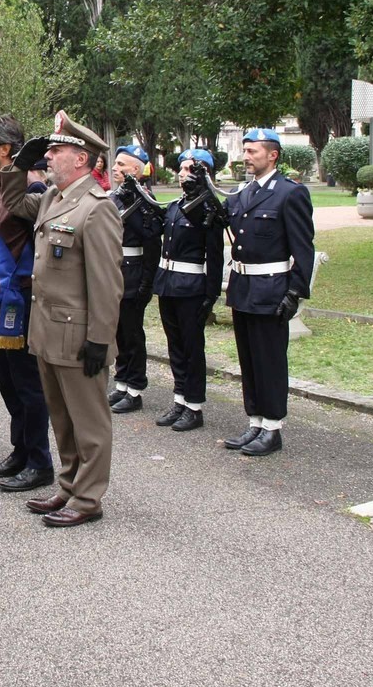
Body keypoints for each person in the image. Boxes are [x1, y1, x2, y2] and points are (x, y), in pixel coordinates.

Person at [0, 110, 123, 527]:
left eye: (57, 150)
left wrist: (100, 340)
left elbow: (107, 283)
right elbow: (14, 202)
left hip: (80, 336)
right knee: (62, 416)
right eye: (48, 150)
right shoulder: (53, 198)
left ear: (82, 159)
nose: (48, 157)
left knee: (88, 422)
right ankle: (69, 486)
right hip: (48, 332)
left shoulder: (97, 208)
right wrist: (19, 164)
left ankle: (88, 499)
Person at [0, 115, 54, 492]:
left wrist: (20, 170)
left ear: (5, 150)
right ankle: (19, 451)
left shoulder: (26, 192)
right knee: (7, 383)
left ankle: (40, 462)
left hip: (17, 303)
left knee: (27, 385)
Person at [222, 128, 315, 457]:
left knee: (269, 361)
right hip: (243, 287)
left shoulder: (290, 193)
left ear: (272, 155)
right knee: (249, 359)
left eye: (253, 151)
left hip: (271, 289)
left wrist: (296, 292)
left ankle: (273, 428)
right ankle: (256, 421)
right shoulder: (242, 192)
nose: (246, 156)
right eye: (245, 151)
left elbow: (303, 248)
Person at [154, 149, 226, 432]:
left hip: (191, 287)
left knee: (192, 349)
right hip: (168, 284)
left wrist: (211, 295)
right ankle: (180, 399)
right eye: (182, 168)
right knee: (175, 346)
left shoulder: (208, 208)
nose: (182, 173)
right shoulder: (175, 205)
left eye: (189, 169)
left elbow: (215, 255)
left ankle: (194, 407)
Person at [107, 145, 164, 414]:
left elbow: (152, 243)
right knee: (117, 332)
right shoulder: (114, 197)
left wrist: (146, 283)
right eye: (115, 164)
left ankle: (135, 387)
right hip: (113, 270)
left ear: (136, 171)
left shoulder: (144, 199)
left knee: (131, 333)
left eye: (122, 165)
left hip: (133, 271)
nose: (115, 168)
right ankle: (121, 382)